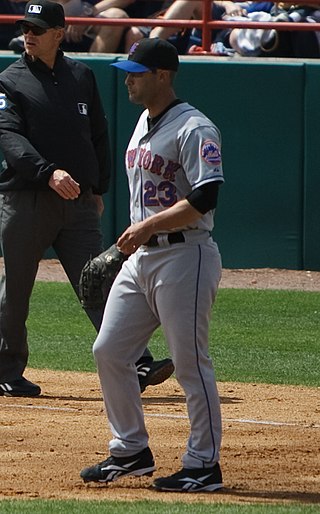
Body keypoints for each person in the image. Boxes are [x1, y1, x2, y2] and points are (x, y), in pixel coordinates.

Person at [0, 0, 173, 398]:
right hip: (27, 199)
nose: (29, 34)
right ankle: (7, 369)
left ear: (59, 33)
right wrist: (47, 172)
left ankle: (137, 361)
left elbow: (96, 135)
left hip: (77, 201)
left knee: (100, 280)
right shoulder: (9, 80)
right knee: (17, 289)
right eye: (26, 27)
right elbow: (8, 137)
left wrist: (98, 189)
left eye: (38, 29)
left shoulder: (81, 75)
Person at [80, 38, 224, 492]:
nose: (129, 79)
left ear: (164, 75)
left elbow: (206, 196)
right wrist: (136, 238)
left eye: (137, 72)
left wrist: (146, 228)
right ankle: (131, 450)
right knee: (110, 351)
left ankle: (203, 464)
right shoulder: (143, 121)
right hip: (142, 257)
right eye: (128, 71)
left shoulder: (195, 127)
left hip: (186, 255)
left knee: (189, 363)